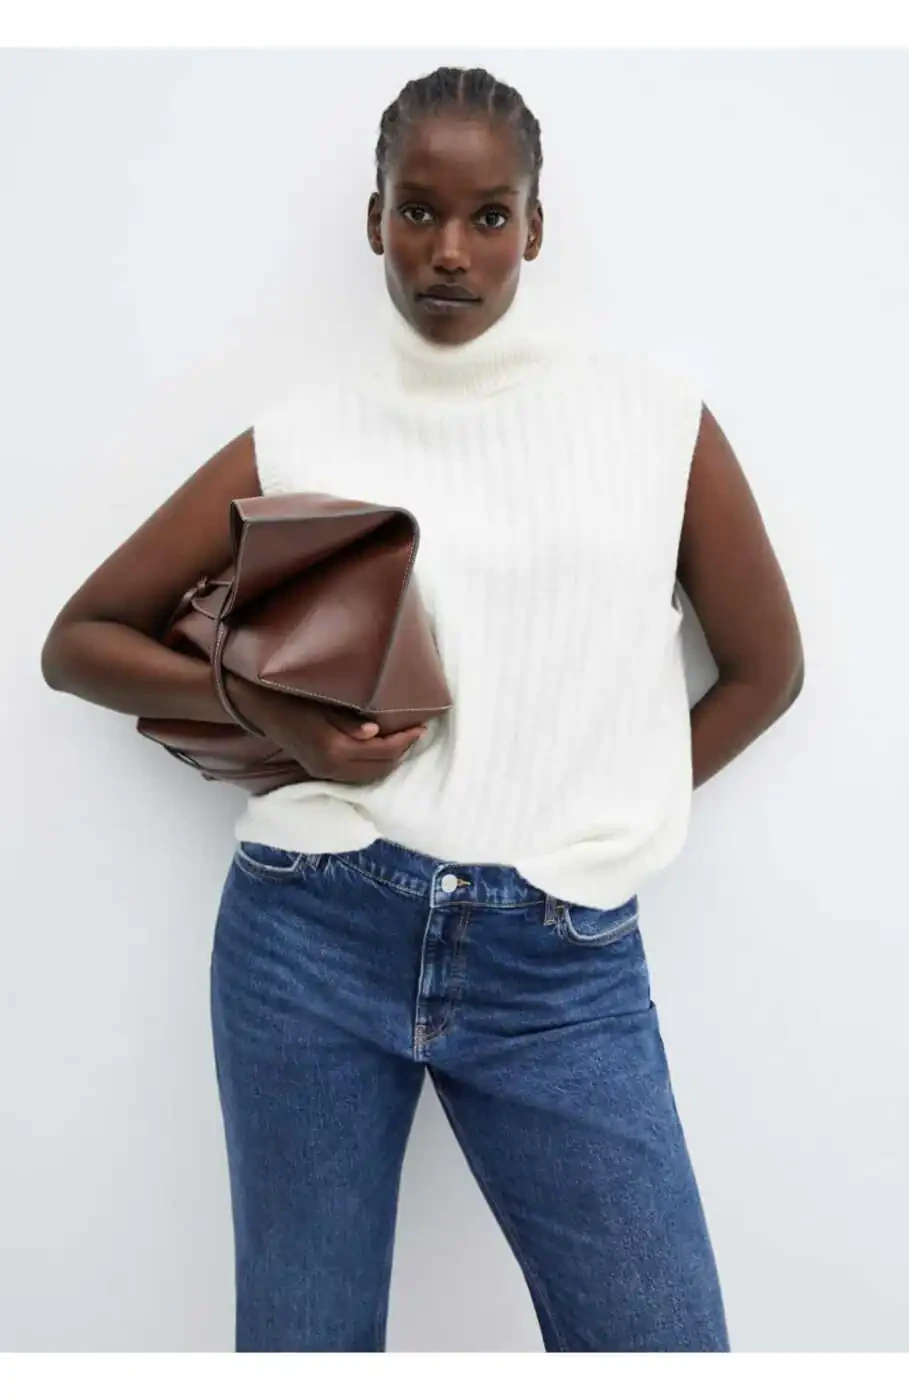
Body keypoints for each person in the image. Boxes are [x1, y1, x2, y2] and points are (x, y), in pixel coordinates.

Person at [40, 66, 804, 1353]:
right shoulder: (306, 433)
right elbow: (79, 642)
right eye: (418, 211)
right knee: (305, 1350)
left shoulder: (655, 426)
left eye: (489, 216)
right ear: (375, 217)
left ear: (535, 227)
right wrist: (275, 720)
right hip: (310, 931)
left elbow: (766, 671)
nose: (450, 249)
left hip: (561, 960)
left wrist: (606, 800)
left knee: (665, 1346)